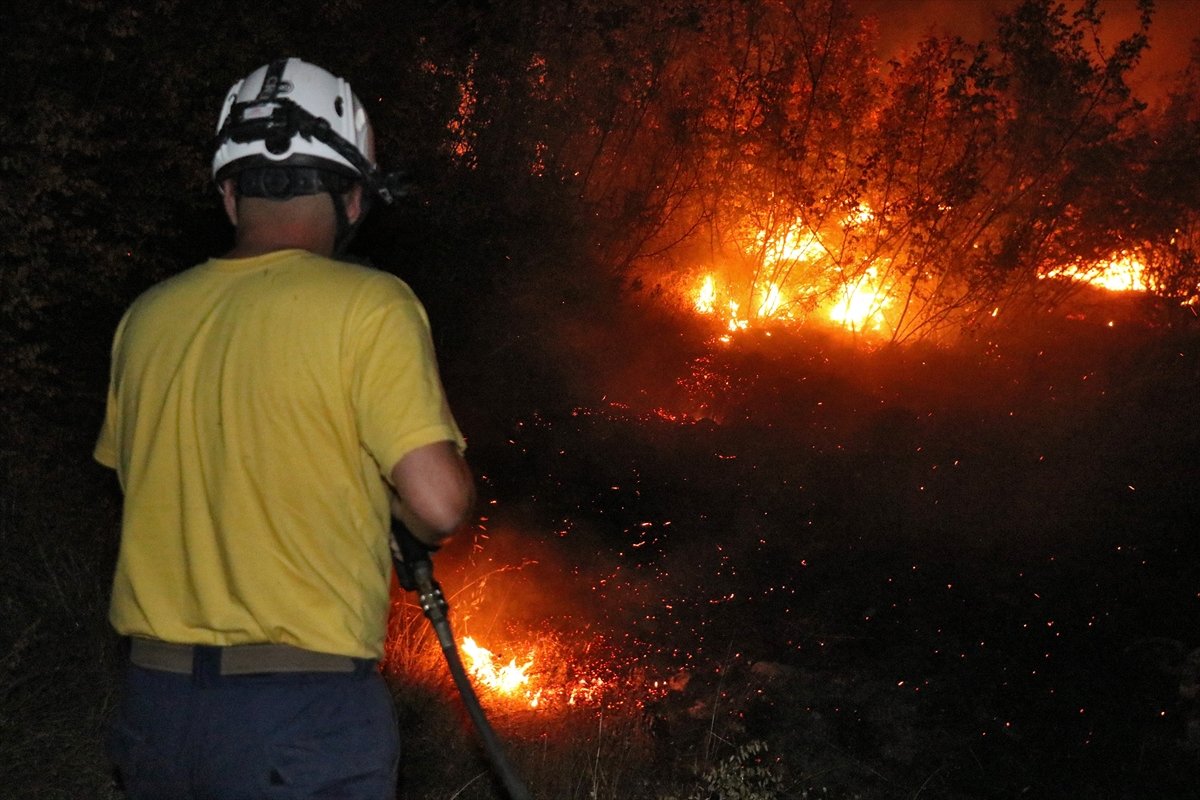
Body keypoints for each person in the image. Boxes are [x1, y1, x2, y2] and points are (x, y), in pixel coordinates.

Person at [94, 57, 474, 799]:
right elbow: (439, 504)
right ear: (354, 196)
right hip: (302, 716)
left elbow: (153, 483)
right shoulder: (370, 306)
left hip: (155, 711)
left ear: (230, 193)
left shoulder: (146, 318)